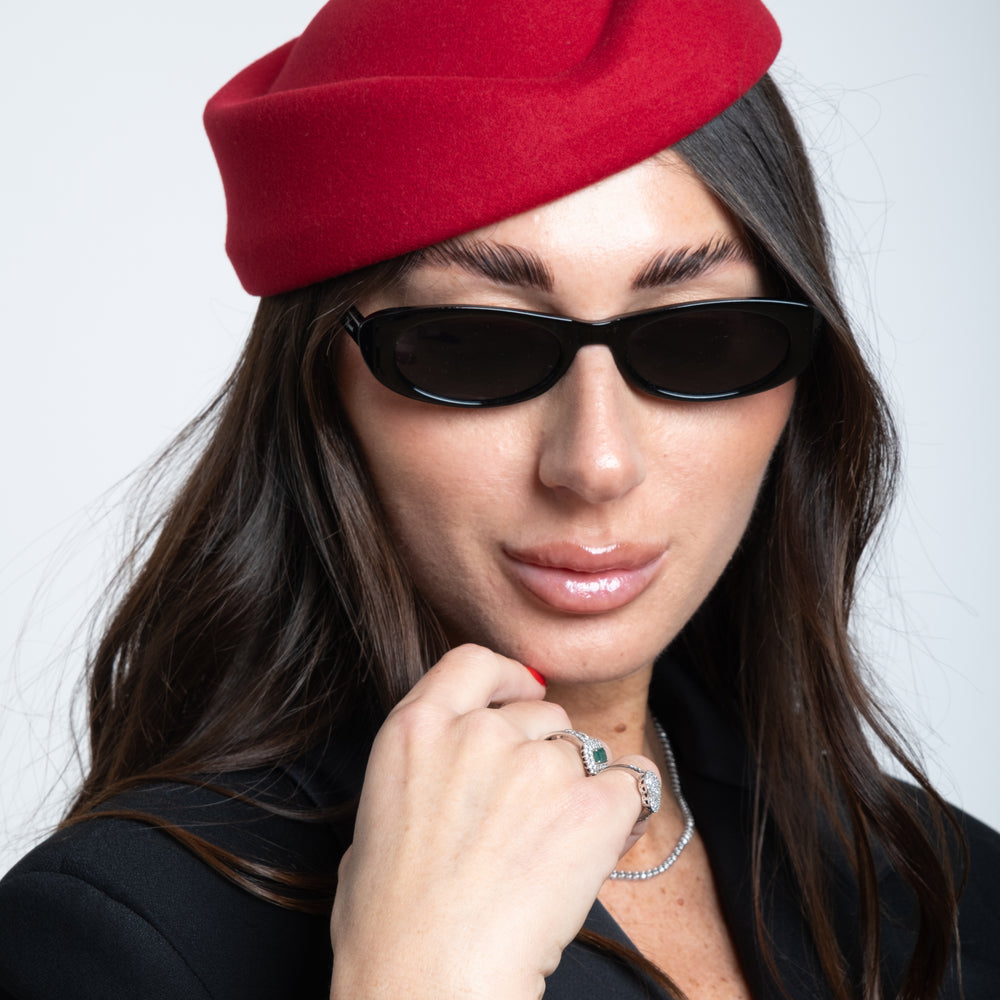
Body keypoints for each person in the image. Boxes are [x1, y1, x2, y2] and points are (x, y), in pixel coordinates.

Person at [1, 0, 998, 998]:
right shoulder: (115, 940)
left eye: (701, 340)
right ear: (322, 389)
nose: (595, 463)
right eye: (473, 346)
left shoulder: (951, 886)